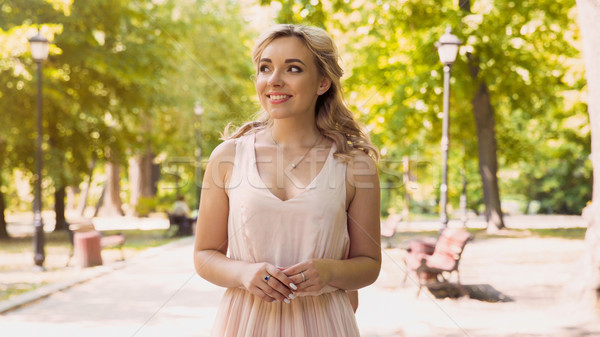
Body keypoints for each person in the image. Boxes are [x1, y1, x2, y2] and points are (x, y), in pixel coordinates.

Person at [193, 24, 381, 336]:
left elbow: (369, 264)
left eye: (293, 68)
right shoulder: (227, 157)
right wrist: (243, 273)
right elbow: (204, 255)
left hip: (326, 325)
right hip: (245, 324)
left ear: (322, 82)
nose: (274, 80)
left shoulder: (355, 165)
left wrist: (329, 271)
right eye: (265, 68)